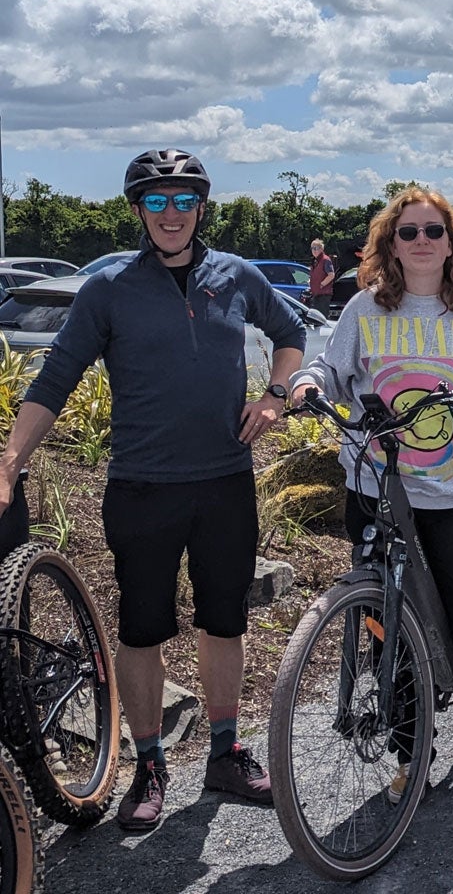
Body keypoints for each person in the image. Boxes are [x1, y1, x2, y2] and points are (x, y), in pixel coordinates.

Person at [0, 148, 306, 830]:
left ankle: (225, 753)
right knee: (142, 631)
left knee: (223, 621)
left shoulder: (238, 277)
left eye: (183, 200)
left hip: (226, 482)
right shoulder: (108, 288)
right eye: (157, 201)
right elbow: (56, 379)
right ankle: (150, 764)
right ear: (139, 210)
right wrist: (10, 460)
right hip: (142, 487)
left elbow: (291, 335)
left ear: (202, 208)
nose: (172, 214)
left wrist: (276, 395)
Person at [289, 186, 453, 812]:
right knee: (386, 627)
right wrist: (303, 381)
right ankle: (412, 754)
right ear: (390, 244)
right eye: (409, 233)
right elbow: (329, 369)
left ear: (452, 242)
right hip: (378, 489)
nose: (422, 242)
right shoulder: (364, 309)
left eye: (434, 231)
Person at [307, 237, 335, 316]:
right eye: (313, 248)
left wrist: (321, 284)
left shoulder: (326, 260)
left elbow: (331, 275)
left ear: (321, 249)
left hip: (323, 295)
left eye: (317, 248)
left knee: (321, 318)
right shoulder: (315, 261)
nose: (314, 250)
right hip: (316, 294)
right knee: (316, 318)